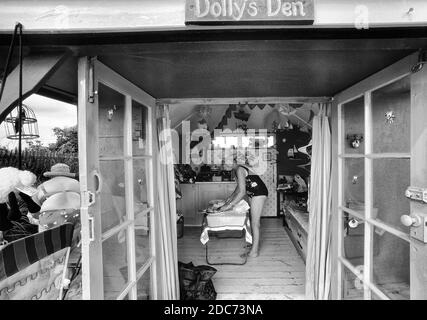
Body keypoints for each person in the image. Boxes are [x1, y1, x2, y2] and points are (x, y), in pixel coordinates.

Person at [218, 152, 268, 258]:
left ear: (233, 162)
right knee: (252, 221)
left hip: (259, 193)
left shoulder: (240, 169)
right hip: (254, 194)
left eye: (226, 163)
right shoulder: (237, 171)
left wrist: (229, 205)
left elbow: (242, 192)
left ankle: (254, 252)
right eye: (223, 163)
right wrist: (228, 200)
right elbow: (238, 188)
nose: (223, 165)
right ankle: (254, 245)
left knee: (255, 223)